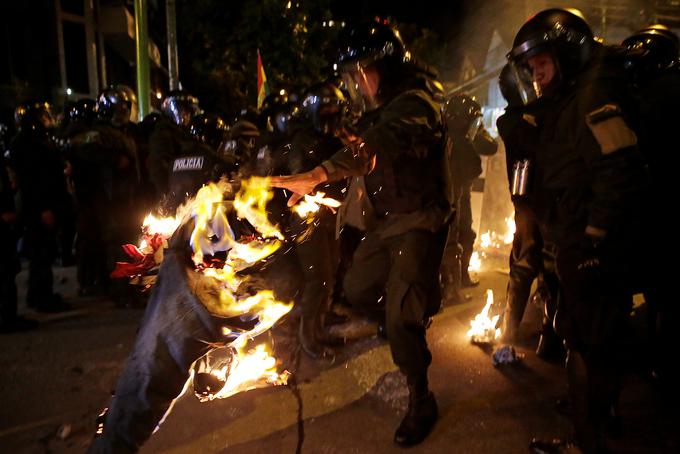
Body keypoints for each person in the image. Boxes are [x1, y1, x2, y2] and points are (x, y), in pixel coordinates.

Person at [270, 21, 450, 446]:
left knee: (401, 316)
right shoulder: (380, 109)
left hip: (420, 219)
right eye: (350, 74)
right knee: (356, 288)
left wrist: (317, 174)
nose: (355, 82)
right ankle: (413, 303)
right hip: (388, 222)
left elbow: (375, 147)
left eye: (361, 71)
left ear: (384, 66)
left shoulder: (416, 103)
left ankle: (421, 398)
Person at [507, 9, 648, 453]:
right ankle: (597, 416)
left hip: (593, 245)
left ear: (566, 51)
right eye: (531, 69)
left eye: (542, 64)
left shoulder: (592, 94)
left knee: (586, 343)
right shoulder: (573, 93)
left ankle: (585, 443)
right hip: (582, 238)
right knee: (592, 339)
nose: (536, 76)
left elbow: (618, 171)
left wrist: (592, 239)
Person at [622, 24, 680, 392]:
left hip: (659, 205)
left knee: (662, 288)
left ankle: (660, 362)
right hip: (664, 203)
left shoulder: (655, 94)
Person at [495, 64, 562, 360]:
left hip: (527, 204)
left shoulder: (513, 120)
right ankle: (549, 335)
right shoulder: (522, 119)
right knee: (548, 269)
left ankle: (513, 328)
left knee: (524, 265)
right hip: (542, 204)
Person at [287, 81, 347, 359]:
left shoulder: (333, 140)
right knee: (318, 278)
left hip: (329, 217)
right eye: (328, 111)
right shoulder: (303, 141)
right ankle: (308, 337)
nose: (333, 116)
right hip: (307, 218)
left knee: (330, 272)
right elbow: (303, 181)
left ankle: (321, 325)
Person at [7, 102, 71, 312]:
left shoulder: (36, 140)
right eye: (42, 115)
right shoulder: (27, 143)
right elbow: (34, 180)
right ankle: (41, 297)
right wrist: (44, 208)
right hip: (40, 207)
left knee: (44, 251)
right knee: (41, 252)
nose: (47, 118)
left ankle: (41, 294)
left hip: (46, 204)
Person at [442, 94, 498, 291]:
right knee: (452, 236)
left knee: (464, 233)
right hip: (449, 194)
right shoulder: (451, 140)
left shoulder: (462, 138)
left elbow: (491, 146)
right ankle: (451, 285)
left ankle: (460, 277)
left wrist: (477, 131)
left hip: (460, 192)